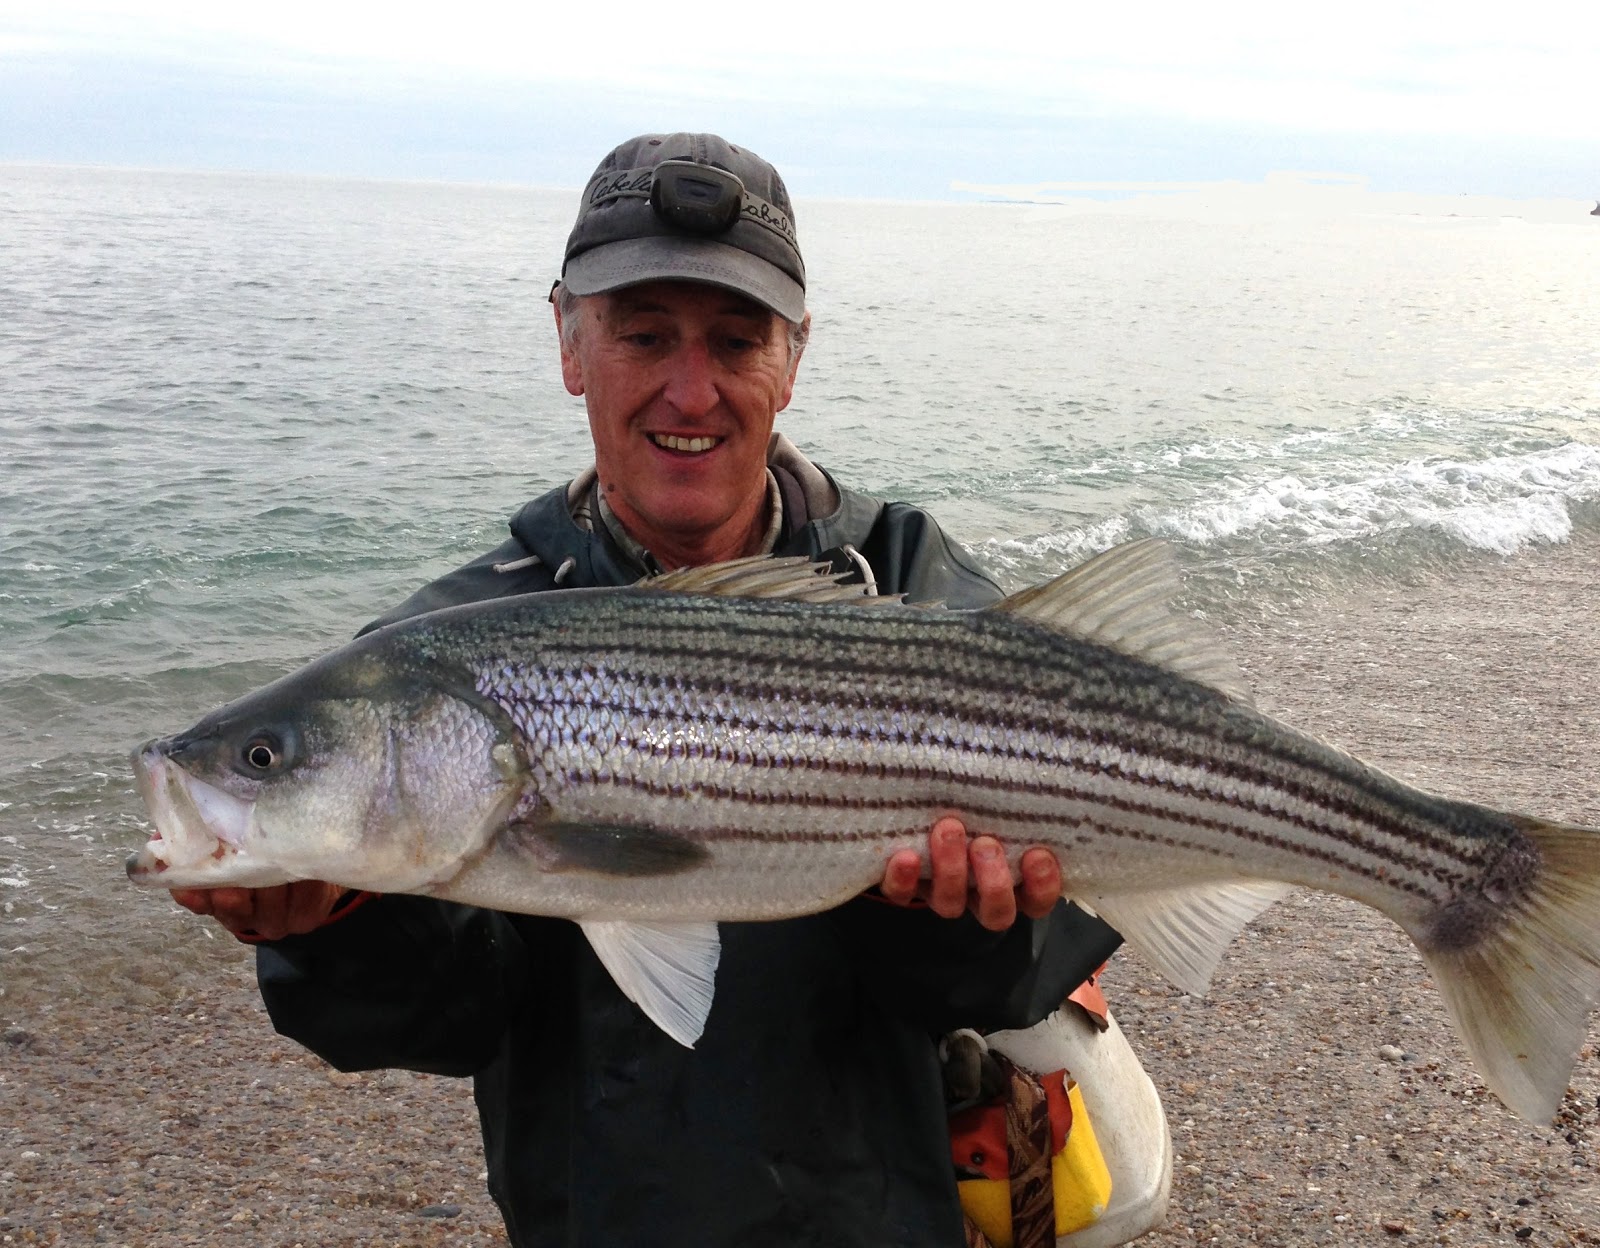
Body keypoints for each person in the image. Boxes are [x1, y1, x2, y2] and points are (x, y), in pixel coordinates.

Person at [171, 132, 1124, 1247]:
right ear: (570, 342)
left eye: (735, 339)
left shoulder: (908, 587)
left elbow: (1023, 980)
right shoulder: (443, 650)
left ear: (794, 356)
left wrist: (964, 927)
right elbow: (444, 1019)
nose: (691, 388)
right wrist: (334, 933)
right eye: (643, 334)